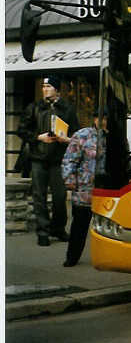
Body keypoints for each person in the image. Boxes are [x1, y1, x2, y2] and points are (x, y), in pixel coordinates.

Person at [20, 76, 80, 246]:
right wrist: (39, 137)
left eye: (48, 86)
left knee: (60, 197)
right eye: (43, 86)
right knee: (39, 197)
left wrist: (65, 139)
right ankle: (43, 232)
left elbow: (76, 134)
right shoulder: (34, 107)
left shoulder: (67, 109)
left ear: (57, 89)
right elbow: (22, 131)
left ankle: (58, 228)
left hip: (58, 160)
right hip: (38, 158)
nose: (45, 89)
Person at [61, 111, 105, 267]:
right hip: (84, 188)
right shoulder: (83, 135)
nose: (104, 121)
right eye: (101, 118)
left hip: (106, 189)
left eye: (106, 118)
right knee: (79, 224)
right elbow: (69, 159)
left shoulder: (115, 137)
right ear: (95, 119)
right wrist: (69, 179)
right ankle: (72, 257)